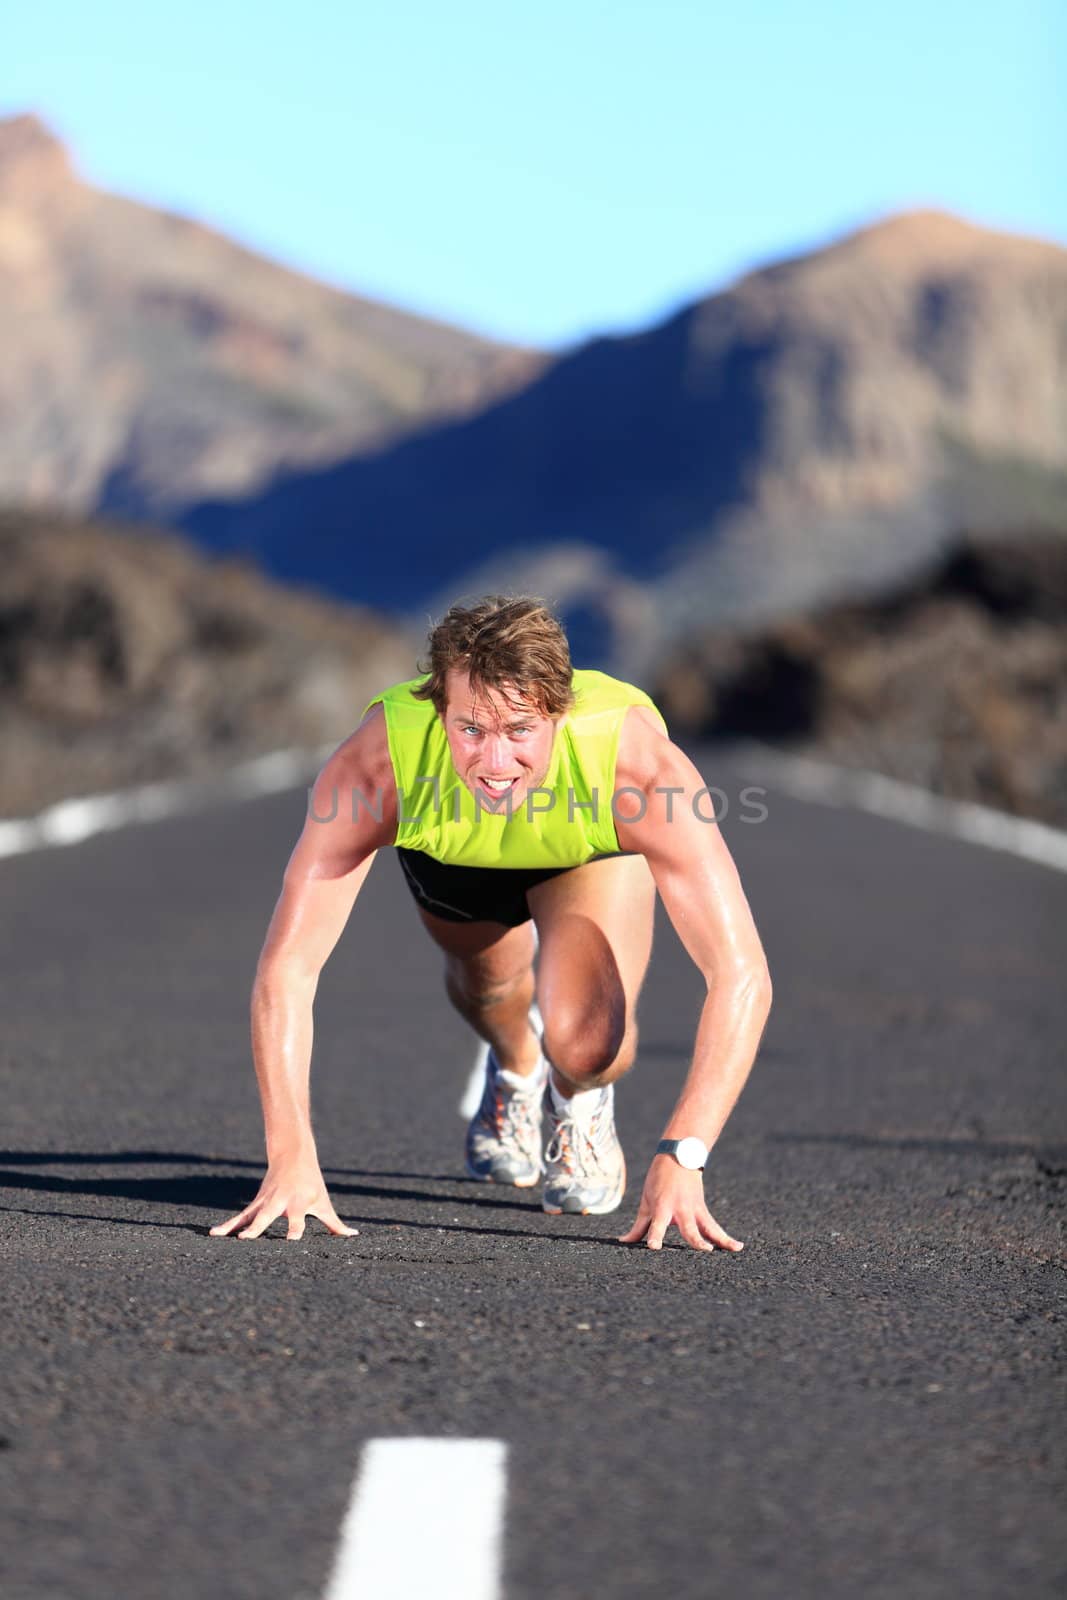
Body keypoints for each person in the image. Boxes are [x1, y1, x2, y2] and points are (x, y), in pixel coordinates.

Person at [211, 596, 772, 1252]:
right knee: (490, 993)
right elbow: (289, 967)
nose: (496, 763)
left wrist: (684, 1153)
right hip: (453, 853)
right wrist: (289, 1157)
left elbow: (740, 975)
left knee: (589, 1042)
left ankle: (578, 1101)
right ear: (438, 712)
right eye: (471, 730)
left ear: (559, 714)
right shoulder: (376, 767)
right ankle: (514, 1066)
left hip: (581, 852)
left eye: (519, 730)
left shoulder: (637, 768)